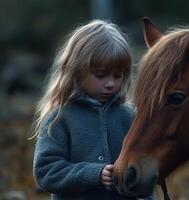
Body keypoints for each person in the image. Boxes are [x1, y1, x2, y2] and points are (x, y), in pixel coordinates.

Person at [32, 19, 152, 200]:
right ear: (76, 71)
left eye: (118, 75)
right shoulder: (59, 117)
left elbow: (142, 172)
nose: (111, 83)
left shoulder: (128, 116)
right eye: (100, 75)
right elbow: (46, 172)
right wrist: (93, 173)